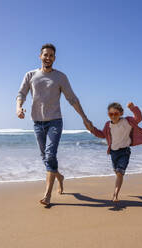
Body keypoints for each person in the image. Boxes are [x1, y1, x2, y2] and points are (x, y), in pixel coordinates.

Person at [16, 43, 93, 206]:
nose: (48, 58)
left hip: (55, 122)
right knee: (45, 157)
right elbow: (21, 93)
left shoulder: (60, 77)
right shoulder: (30, 75)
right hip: (37, 122)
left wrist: (85, 118)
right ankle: (59, 176)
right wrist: (18, 108)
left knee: (50, 155)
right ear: (40, 56)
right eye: (45, 55)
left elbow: (72, 99)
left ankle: (47, 195)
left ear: (54, 58)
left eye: (51, 55)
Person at [87, 102, 142, 202]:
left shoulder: (128, 121)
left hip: (124, 152)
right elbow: (102, 134)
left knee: (120, 173)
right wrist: (92, 129)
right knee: (117, 173)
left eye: (115, 114)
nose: (113, 116)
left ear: (121, 113)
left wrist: (133, 108)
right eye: (110, 114)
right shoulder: (108, 125)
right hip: (113, 152)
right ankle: (118, 190)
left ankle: (115, 195)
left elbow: (138, 118)